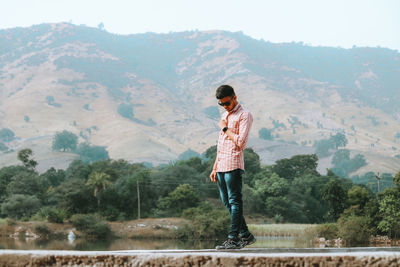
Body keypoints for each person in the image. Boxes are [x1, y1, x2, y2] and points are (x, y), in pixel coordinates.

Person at [209, 84, 256, 249]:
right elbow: (220, 145)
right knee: (227, 203)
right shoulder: (225, 115)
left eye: (227, 103)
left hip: (233, 163)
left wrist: (224, 127)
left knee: (235, 202)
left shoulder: (244, 115)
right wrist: (215, 167)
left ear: (234, 97)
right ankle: (246, 235)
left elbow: (241, 142)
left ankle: (233, 239)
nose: (225, 106)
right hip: (221, 165)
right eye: (222, 104)